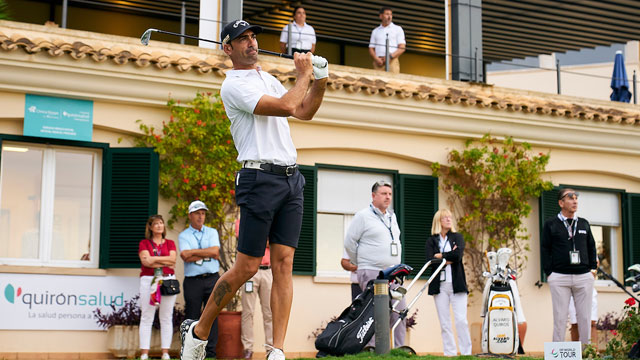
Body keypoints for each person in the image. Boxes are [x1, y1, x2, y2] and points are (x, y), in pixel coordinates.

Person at [179, 19, 328, 360]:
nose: (250, 42)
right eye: (241, 39)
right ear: (227, 49)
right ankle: (198, 333)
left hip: (291, 179)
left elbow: (304, 110)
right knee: (246, 267)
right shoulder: (233, 85)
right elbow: (288, 105)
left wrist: (320, 79)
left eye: (252, 37)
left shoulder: (271, 79)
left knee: (284, 264)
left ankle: (276, 349)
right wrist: (304, 73)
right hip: (259, 179)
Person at [344, 180, 406, 348]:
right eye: (384, 194)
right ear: (373, 196)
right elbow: (349, 242)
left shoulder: (392, 217)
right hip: (371, 271)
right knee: (374, 311)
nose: (388, 197)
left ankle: (400, 349)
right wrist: (360, 262)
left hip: (393, 274)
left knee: (399, 309)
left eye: (390, 194)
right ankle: (372, 348)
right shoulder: (363, 216)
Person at [541, 188, 597, 346]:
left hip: (583, 276)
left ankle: (586, 352)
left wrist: (592, 270)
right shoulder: (551, 224)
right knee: (560, 317)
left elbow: (592, 247)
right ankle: (557, 353)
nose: (575, 201)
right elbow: (545, 248)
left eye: (576, 198)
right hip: (559, 277)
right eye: (570, 198)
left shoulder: (584, 223)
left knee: (584, 317)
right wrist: (549, 273)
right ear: (561, 203)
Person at [425, 209, 472, 356]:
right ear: (438, 221)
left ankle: (466, 353)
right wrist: (447, 258)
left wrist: (441, 256)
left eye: (450, 217)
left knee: (461, 321)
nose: (449, 220)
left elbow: (458, 256)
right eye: (445, 217)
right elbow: (430, 260)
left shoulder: (457, 237)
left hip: (457, 284)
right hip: (440, 287)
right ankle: (450, 353)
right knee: (445, 323)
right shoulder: (431, 240)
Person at [179, 200, 221, 359]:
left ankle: (211, 353)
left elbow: (215, 252)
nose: (201, 216)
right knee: (192, 316)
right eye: (197, 213)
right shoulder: (184, 235)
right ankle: (192, 352)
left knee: (213, 315)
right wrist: (206, 252)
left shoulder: (212, 232)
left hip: (212, 279)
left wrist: (194, 252)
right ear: (190, 215)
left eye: (203, 213)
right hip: (193, 281)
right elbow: (185, 256)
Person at [138, 215, 178, 360]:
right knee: (147, 316)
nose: (159, 226)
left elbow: (173, 259)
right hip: (149, 280)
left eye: (161, 223)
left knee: (166, 317)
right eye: (156, 224)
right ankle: (144, 354)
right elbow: (146, 262)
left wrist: (154, 259)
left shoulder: (170, 243)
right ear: (150, 227)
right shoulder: (144, 243)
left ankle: (165, 353)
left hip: (167, 281)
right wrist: (165, 262)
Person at [241, 244, 273, 360]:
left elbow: (274, 242)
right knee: (248, 313)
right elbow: (246, 239)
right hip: (250, 272)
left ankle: (271, 351)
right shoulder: (242, 223)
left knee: (269, 313)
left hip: (268, 271)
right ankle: (248, 349)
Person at [368, 6, 406, 73]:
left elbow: (402, 47)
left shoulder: (398, 29)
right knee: (377, 82)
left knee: (393, 82)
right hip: (378, 62)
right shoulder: (375, 31)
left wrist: (390, 57)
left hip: (392, 61)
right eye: (387, 14)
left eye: (390, 14)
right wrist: (376, 59)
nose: (389, 16)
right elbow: (371, 48)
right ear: (381, 16)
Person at [569, 270, 599, 343]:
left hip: (588, 289)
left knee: (592, 323)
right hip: (572, 289)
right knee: (575, 323)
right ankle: (576, 352)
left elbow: (594, 269)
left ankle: (594, 351)